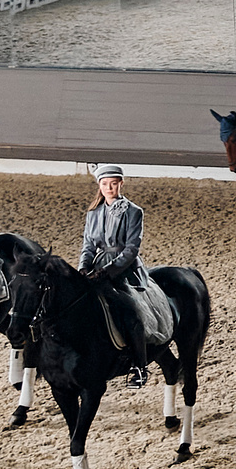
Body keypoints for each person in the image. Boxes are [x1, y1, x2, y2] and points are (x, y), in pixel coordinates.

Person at [78, 166, 153, 387]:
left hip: (123, 268)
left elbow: (132, 249)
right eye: (104, 184)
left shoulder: (134, 211)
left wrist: (109, 271)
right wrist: (84, 267)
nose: (109, 188)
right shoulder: (93, 213)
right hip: (96, 264)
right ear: (99, 186)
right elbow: (88, 246)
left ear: (121, 184)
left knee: (130, 311)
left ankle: (140, 366)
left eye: (113, 184)